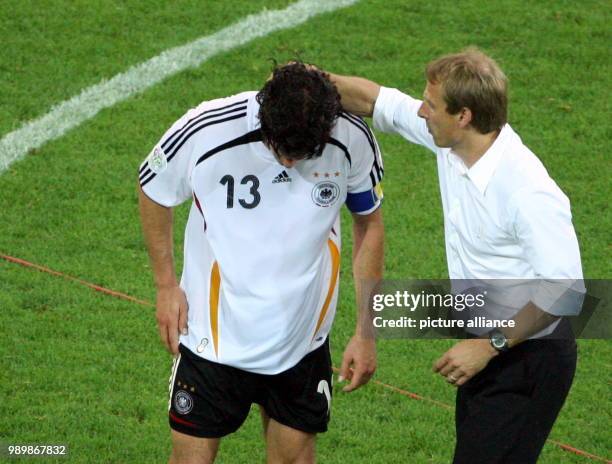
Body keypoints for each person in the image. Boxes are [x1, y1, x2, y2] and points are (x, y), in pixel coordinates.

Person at [325, 48, 583, 463]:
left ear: (463, 116)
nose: (422, 112)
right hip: (487, 337)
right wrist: (307, 81)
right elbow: (375, 100)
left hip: (528, 352)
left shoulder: (527, 190)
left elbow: (567, 292)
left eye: (431, 105)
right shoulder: (454, 144)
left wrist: (489, 346)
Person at [138, 62, 384, 464]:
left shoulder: (351, 137)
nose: (289, 164)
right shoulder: (207, 129)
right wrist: (165, 285)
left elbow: (369, 223)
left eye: (303, 154)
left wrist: (366, 330)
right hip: (213, 343)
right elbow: (153, 188)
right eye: (281, 151)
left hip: (302, 344)